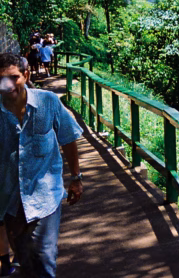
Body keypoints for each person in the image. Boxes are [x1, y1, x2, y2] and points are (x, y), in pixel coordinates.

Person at [0, 53, 83, 277]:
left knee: (45, 260)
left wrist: (76, 178)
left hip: (45, 197)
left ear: (26, 75)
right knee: (26, 264)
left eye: (13, 78)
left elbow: (67, 137)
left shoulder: (48, 102)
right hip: (9, 200)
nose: (6, 85)